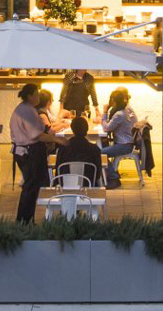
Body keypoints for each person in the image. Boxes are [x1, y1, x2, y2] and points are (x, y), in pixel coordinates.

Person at [9, 83, 62, 224]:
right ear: (30, 96)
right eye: (36, 94)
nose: (39, 97)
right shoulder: (26, 111)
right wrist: (57, 140)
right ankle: (24, 220)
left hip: (25, 151)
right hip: (28, 152)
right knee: (30, 187)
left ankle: (26, 219)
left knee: (31, 186)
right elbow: (37, 135)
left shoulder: (27, 109)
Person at [99, 88, 143, 189]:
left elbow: (106, 128)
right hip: (128, 143)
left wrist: (104, 113)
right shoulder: (125, 110)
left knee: (100, 153)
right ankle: (107, 174)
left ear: (113, 101)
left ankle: (114, 178)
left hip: (125, 145)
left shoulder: (119, 114)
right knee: (103, 146)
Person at [52, 116, 105, 186]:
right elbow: (97, 174)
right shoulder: (94, 149)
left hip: (66, 184)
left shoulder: (62, 148)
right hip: (87, 184)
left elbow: (58, 170)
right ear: (87, 129)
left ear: (72, 129)